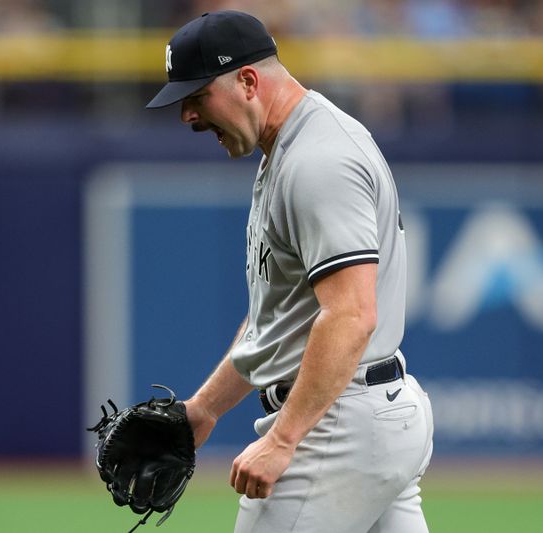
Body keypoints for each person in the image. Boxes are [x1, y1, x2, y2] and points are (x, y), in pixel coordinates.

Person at [146, 10, 434, 533]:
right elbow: (278, 321)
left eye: (196, 97)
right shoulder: (289, 146)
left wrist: (283, 439)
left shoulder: (316, 162)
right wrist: (204, 410)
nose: (187, 116)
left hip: (336, 426)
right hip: (363, 410)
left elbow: (351, 315)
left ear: (248, 81)